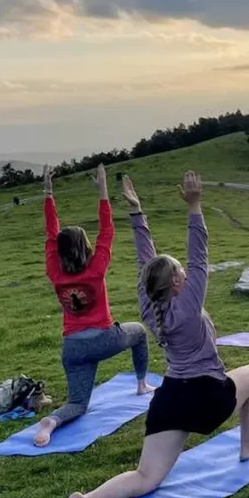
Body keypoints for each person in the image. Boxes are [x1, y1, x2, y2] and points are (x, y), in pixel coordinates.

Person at [47, 171, 249, 498]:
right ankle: (247, 446)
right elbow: (199, 255)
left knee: (145, 477)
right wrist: (195, 206)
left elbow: (145, 263)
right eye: (182, 272)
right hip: (209, 397)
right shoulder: (188, 304)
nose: (188, 272)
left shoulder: (149, 304)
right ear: (180, 283)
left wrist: (137, 213)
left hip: (171, 400)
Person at [35, 164, 155, 447]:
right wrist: (102, 191)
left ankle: (51, 422)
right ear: (85, 247)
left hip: (73, 348)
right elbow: (107, 230)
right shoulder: (96, 269)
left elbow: (50, 235)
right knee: (138, 332)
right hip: (104, 339)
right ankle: (141, 385)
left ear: (60, 251)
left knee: (77, 403)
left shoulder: (55, 272)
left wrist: (48, 192)